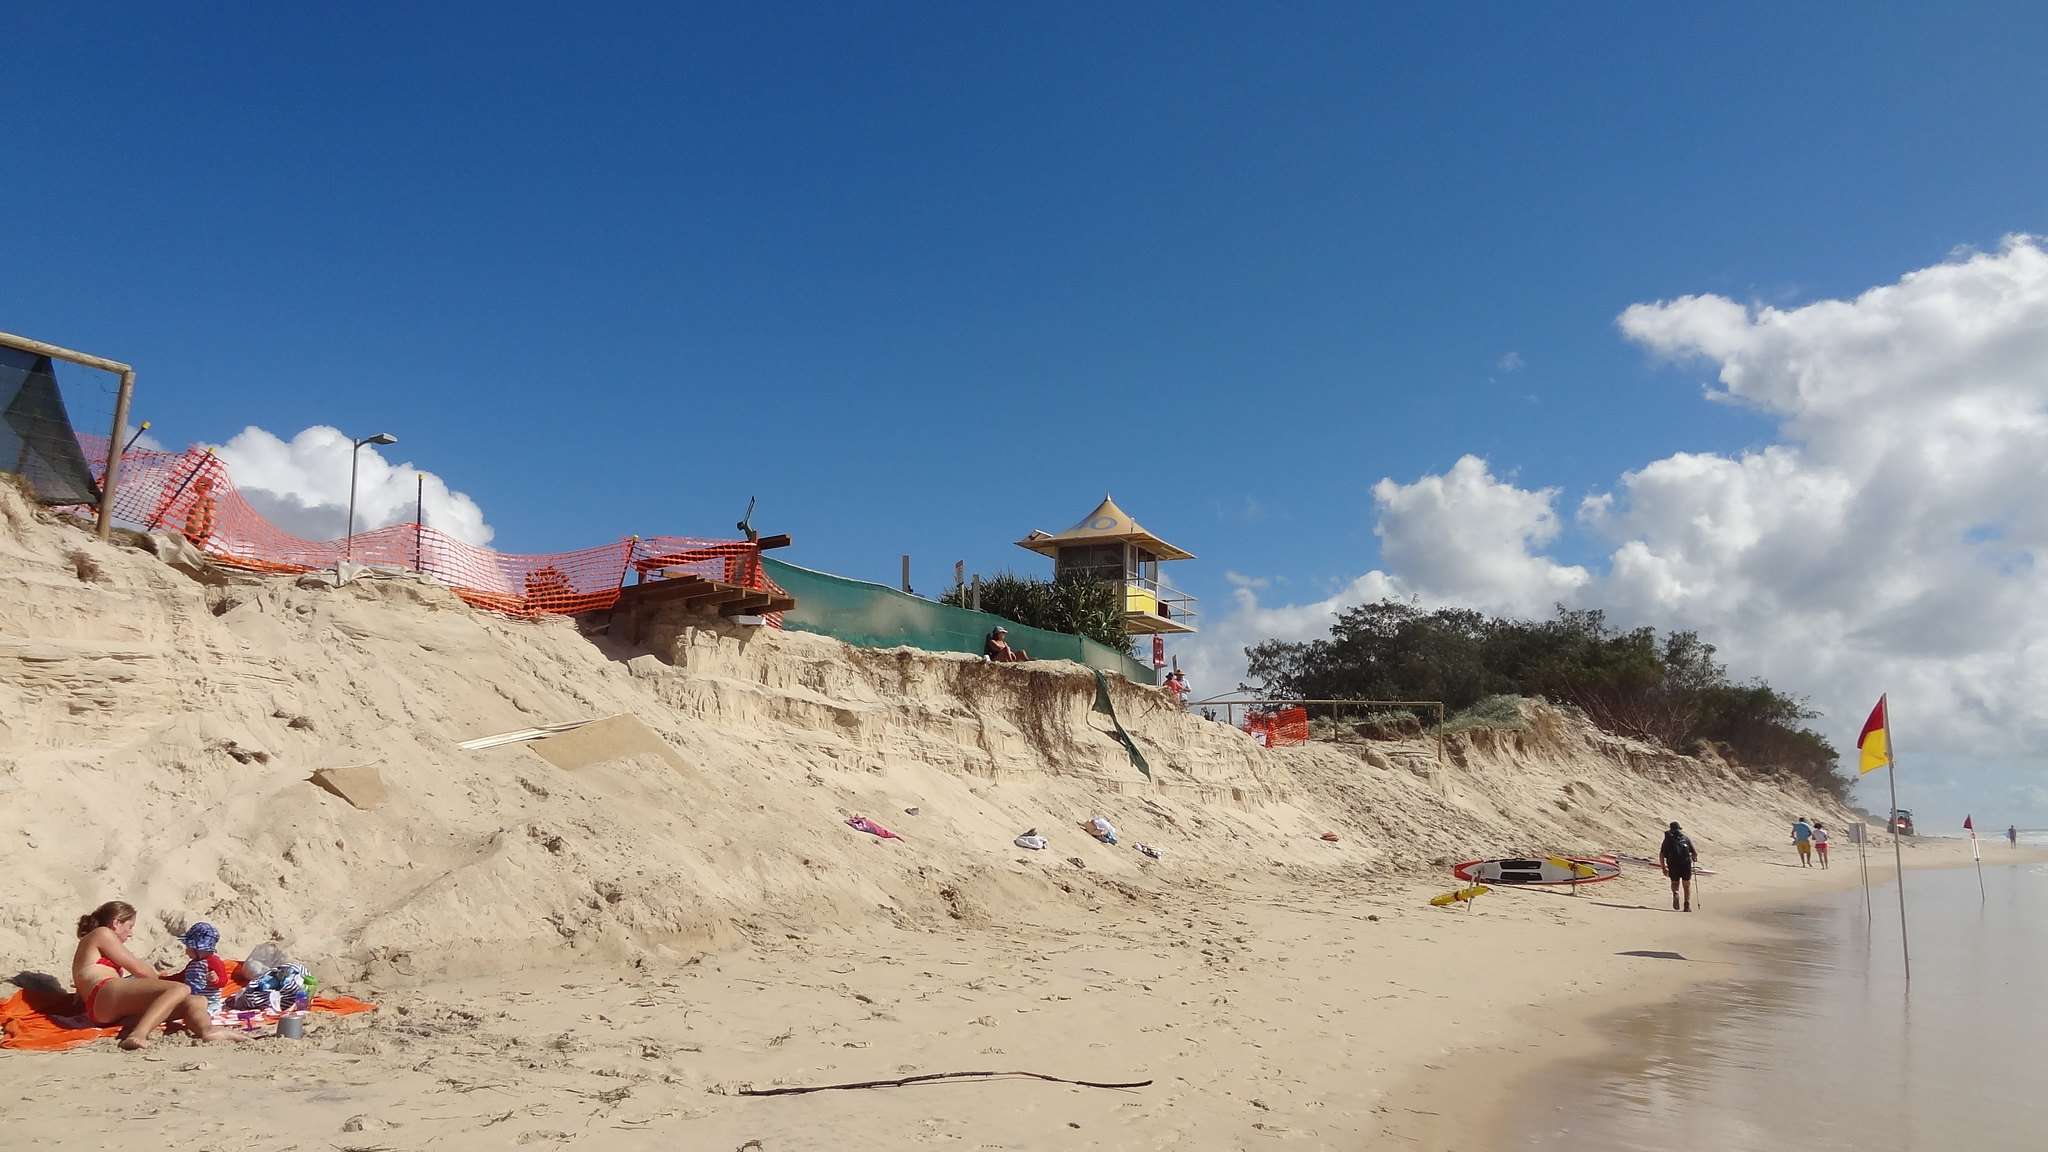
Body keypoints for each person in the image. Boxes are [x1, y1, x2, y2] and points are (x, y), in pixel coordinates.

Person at [72, 901, 244, 1050]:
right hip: (103, 992)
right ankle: (138, 1034)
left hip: (106, 1009)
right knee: (180, 989)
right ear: (116, 922)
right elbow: (139, 970)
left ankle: (208, 1030)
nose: (130, 934)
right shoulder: (102, 933)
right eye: (129, 926)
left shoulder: (91, 945)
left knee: (196, 1001)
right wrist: (161, 986)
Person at [178, 922, 232, 1015]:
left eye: (188, 947)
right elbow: (181, 977)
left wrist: (216, 980)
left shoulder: (214, 962)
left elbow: (223, 981)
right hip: (194, 999)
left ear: (199, 949)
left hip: (210, 1001)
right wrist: (164, 980)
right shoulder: (192, 964)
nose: (186, 951)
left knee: (207, 1012)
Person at [1660, 821, 1699, 912]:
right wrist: (1694, 859)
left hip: (1673, 864)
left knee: (1674, 882)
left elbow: (1661, 854)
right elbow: (1694, 853)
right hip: (1685, 864)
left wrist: (1663, 867)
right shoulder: (1686, 838)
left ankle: (1676, 892)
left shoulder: (1668, 840)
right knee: (1686, 885)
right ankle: (1686, 905)